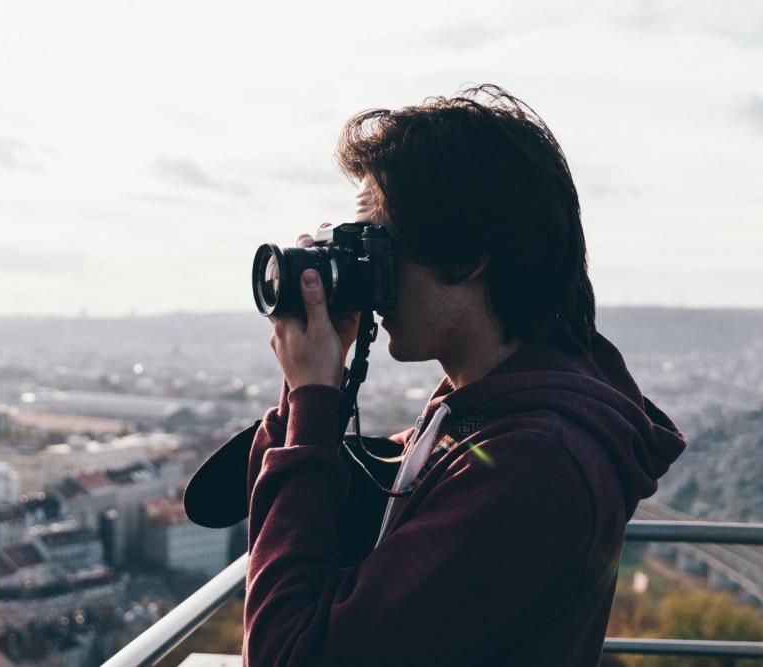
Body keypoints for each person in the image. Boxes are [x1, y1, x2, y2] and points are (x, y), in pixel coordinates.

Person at [243, 85, 686, 666]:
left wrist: (314, 398)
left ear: (466, 257)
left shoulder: (535, 464)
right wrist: (306, 394)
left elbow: (287, 655)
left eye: (378, 245)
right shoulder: (481, 414)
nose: (367, 275)